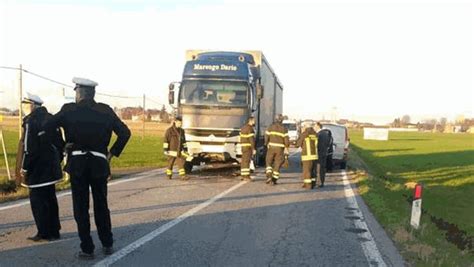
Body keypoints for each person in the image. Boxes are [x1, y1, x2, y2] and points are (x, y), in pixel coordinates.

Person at [45, 77, 131, 259]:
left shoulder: (69, 110)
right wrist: (111, 153)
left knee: (80, 208)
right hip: (99, 163)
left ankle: (87, 247)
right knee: (101, 205)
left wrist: (62, 145)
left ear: (78, 92)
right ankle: (107, 243)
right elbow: (125, 132)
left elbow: (47, 126)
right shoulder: (105, 110)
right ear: (93, 93)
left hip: (77, 164)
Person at [16, 93, 64, 242]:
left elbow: (29, 149)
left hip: (37, 170)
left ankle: (43, 232)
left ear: (32, 105)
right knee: (50, 198)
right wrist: (57, 161)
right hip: (52, 169)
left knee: (38, 201)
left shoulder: (31, 121)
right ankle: (55, 231)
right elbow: (60, 143)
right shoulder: (50, 118)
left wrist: (24, 168)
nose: (23, 108)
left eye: (25, 104)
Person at [265, 114, 290, 185]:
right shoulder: (284, 129)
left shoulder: (270, 127)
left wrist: (266, 143)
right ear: (282, 120)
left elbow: (266, 136)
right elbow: (286, 140)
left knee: (268, 162)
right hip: (280, 149)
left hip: (271, 147)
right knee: (277, 164)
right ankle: (274, 179)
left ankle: (269, 176)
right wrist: (286, 147)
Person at [296, 121, 318, 189]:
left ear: (305, 127)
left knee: (307, 170)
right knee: (313, 170)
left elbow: (298, 144)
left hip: (307, 156)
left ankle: (308, 184)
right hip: (314, 156)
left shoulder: (304, 134)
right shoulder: (315, 134)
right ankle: (313, 183)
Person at [315, 122, 333, 188]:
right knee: (323, 168)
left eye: (315, 126)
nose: (314, 127)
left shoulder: (318, 134)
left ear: (318, 126)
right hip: (324, 153)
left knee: (318, 168)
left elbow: (316, 145)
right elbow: (329, 144)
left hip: (318, 153)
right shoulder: (326, 134)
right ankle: (322, 182)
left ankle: (318, 182)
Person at [240, 116, 256, 181]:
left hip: (243, 146)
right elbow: (251, 140)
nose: (254, 122)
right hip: (248, 147)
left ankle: (243, 175)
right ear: (251, 121)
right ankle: (246, 176)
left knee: (243, 161)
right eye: (254, 121)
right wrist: (253, 149)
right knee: (247, 161)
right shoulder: (250, 129)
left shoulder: (243, 128)